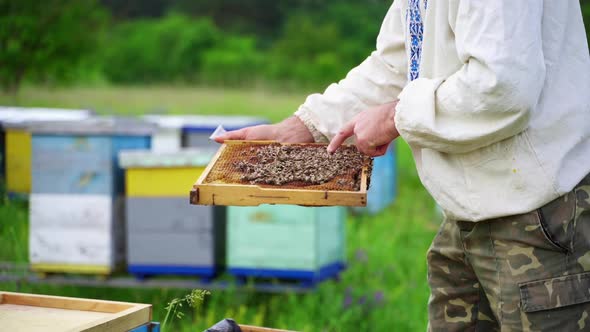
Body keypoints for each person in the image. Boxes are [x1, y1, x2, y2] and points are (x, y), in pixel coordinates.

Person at [216, 1, 590, 330]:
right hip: (467, 214)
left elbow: (502, 86)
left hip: (539, 219)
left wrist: (396, 117)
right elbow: (399, 62)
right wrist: (305, 126)